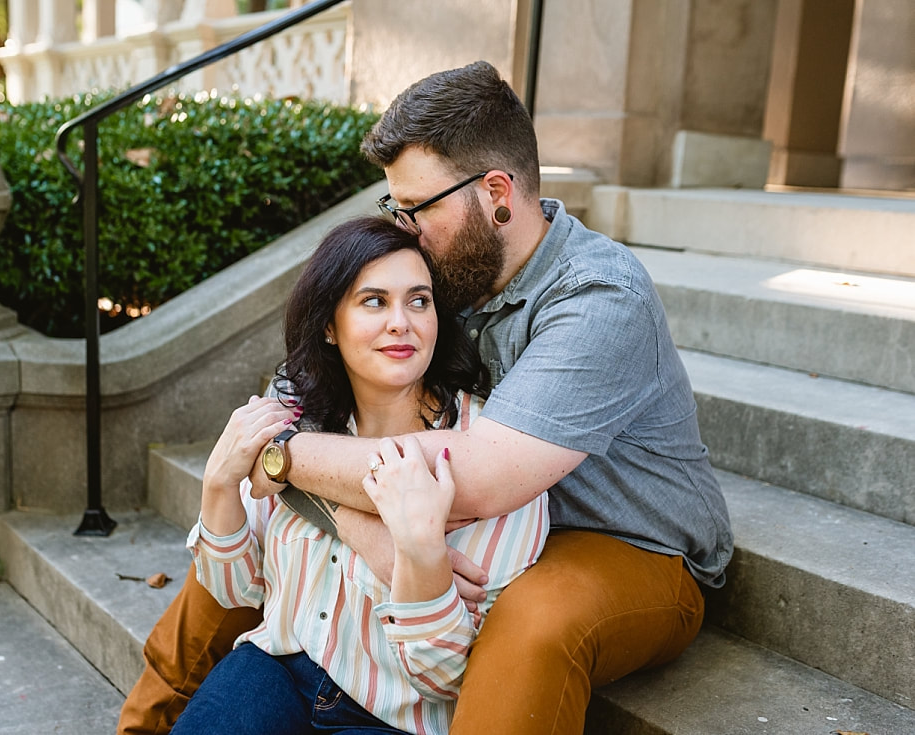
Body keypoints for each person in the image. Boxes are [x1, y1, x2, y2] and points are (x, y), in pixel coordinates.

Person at [119, 60, 733, 735]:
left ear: (496, 193)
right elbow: (292, 401)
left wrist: (284, 458)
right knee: (225, 565)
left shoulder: (599, 295)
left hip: (624, 543)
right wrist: (353, 523)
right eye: (395, 208)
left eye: (415, 208)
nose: (404, 228)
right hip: (469, 514)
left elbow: (468, 477)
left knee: (532, 623)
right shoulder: (450, 264)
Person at [171, 216, 548, 735]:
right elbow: (236, 588)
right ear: (329, 324)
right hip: (275, 667)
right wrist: (218, 484)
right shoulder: (294, 421)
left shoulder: (486, 450)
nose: (401, 322)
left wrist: (419, 557)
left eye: (419, 301)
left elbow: (448, 677)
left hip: (396, 712)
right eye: (374, 301)